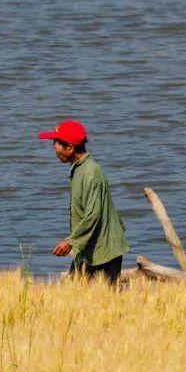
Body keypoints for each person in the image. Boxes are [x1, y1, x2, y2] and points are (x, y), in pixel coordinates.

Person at [37, 119, 127, 283]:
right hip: (87, 246)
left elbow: (93, 215)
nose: (54, 149)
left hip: (105, 249)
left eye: (55, 143)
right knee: (75, 293)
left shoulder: (91, 173)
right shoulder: (79, 169)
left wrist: (70, 241)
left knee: (106, 299)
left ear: (70, 147)